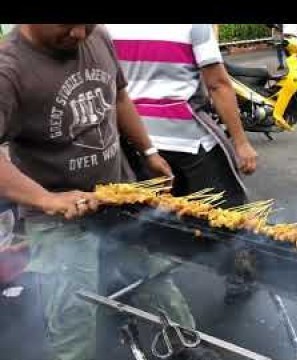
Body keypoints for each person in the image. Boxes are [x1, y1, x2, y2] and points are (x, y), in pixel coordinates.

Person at [0, 24, 194, 360]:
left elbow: (117, 96)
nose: (79, 34)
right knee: (73, 315)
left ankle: (191, 351)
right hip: (59, 220)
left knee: (159, 283)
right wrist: (47, 199)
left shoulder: (97, 35)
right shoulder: (9, 69)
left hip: (121, 198)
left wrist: (149, 151)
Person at [106, 24, 258, 207]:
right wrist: (241, 143)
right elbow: (217, 84)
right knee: (226, 217)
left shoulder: (105, 28)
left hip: (134, 141)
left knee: (155, 222)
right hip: (189, 141)